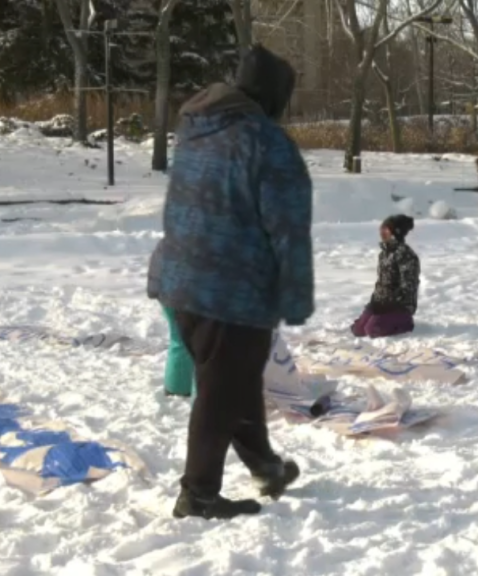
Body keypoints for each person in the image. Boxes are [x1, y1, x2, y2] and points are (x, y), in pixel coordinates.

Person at [147, 44, 313, 520]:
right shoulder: (267, 142)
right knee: (222, 388)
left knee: (233, 377)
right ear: (274, 96)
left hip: (178, 276)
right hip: (227, 287)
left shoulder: (199, 126)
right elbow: (288, 228)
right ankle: (197, 494)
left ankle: (265, 466)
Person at [351, 215, 420, 339]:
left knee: (372, 329)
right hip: (382, 302)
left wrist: (390, 302)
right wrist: (375, 302)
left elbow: (408, 286)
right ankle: (380, 319)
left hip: (399, 306)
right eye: (381, 230)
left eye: (386, 230)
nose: (382, 233)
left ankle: (405, 323)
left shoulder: (406, 255)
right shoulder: (384, 254)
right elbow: (382, 282)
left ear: (396, 233)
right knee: (358, 330)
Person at [147, 241, 195, 399]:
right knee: (192, 343)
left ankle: (178, 387)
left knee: (180, 339)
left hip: (167, 294)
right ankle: (186, 390)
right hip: (182, 297)